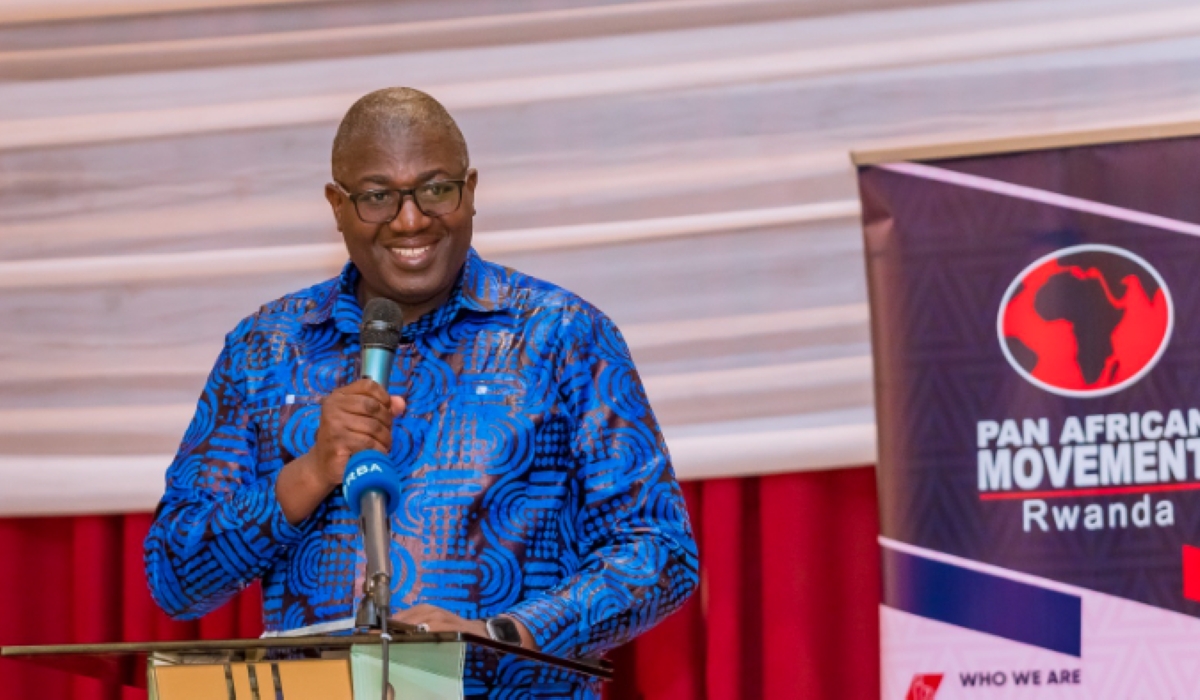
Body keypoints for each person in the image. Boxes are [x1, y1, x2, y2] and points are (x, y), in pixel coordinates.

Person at [143, 87, 698, 696]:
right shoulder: (267, 349)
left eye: (435, 189)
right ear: (337, 205)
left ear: (471, 191)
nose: (410, 220)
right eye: (378, 196)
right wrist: (311, 471)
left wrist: (504, 634)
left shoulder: (561, 335)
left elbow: (659, 551)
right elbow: (175, 577)